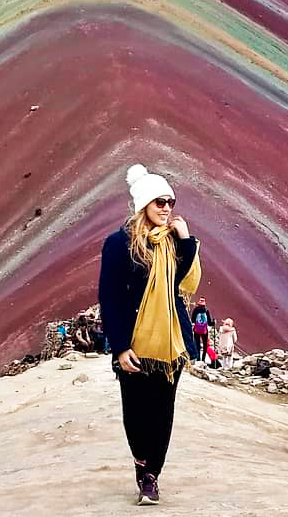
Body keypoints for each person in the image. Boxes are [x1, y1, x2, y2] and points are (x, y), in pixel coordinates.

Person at [98, 163, 202, 506]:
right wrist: (120, 347)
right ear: (144, 204)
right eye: (159, 202)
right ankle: (141, 465)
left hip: (172, 346)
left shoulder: (172, 243)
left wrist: (186, 239)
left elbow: (184, 281)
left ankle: (151, 475)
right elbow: (110, 296)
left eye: (170, 202)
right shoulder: (119, 243)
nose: (167, 209)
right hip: (137, 345)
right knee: (137, 413)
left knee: (163, 413)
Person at [190, 297, 215, 363]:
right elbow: (209, 323)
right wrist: (214, 322)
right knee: (205, 345)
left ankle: (198, 358)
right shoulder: (206, 310)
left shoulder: (195, 310)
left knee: (197, 344)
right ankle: (203, 359)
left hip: (196, 330)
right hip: (204, 330)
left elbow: (192, 320)